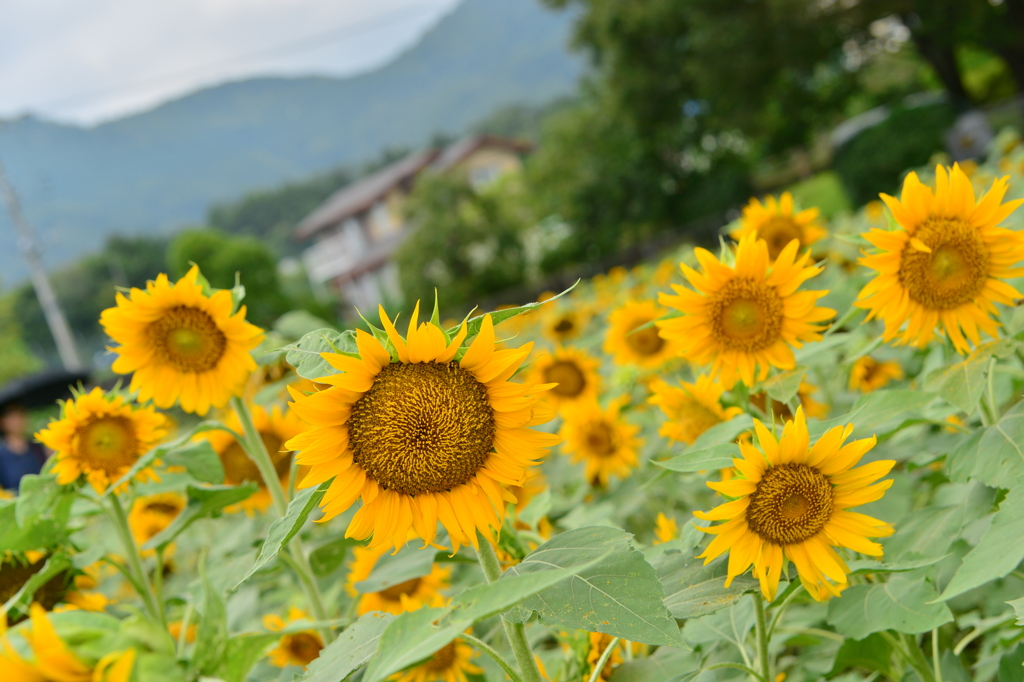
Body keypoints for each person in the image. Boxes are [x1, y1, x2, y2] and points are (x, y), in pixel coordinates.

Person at [0, 403, 48, 492]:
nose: (17, 421)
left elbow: (45, 473)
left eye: (20, 415)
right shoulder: (2, 455)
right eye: (12, 417)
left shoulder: (36, 446)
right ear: (3, 422)